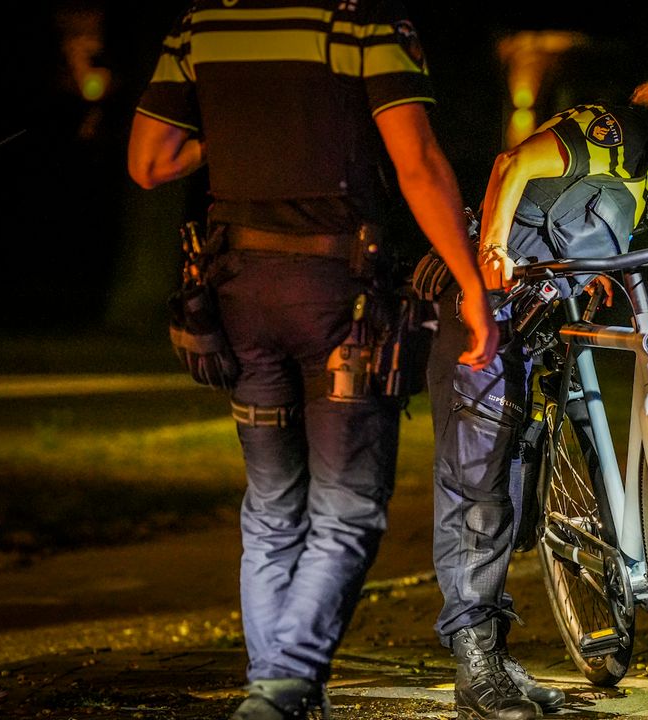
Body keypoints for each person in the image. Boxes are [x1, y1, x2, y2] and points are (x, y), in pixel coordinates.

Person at [127, 2, 498, 719]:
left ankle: (279, 696)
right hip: (339, 300)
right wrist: (470, 284)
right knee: (347, 508)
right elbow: (416, 162)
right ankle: (282, 687)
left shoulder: (201, 28)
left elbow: (149, 162)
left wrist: (240, 135)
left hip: (238, 294)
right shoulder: (365, 27)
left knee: (271, 509)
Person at [427, 77, 648, 720]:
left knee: (519, 473)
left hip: (547, 310)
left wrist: (594, 272)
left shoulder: (643, 180)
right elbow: (513, 163)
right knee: (479, 485)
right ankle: (475, 664)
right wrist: (489, 251)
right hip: (491, 308)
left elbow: (583, 225)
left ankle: (503, 646)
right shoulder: (619, 134)